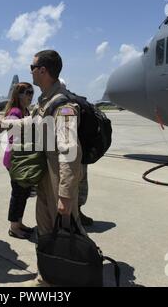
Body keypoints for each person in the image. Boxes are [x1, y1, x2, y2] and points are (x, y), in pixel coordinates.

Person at [30, 50, 85, 286]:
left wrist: (65, 194)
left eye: (32, 67)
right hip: (46, 176)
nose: (30, 71)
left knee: (68, 232)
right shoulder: (45, 101)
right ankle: (48, 276)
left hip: (58, 177)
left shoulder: (63, 106)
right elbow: (35, 123)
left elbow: (70, 153)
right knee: (45, 230)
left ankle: (79, 272)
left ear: (43, 70)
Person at [2, 82, 35, 240]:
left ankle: (19, 223)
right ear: (19, 95)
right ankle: (14, 228)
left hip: (23, 159)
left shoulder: (26, 111)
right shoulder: (15, 112)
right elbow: (13, 137)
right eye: (27, 92)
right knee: (18, 193)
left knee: (24, 193)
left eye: (31, 92)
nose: (30, 95)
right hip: (15, 160)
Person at [59, 79, 93, 226]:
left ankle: (72, 217)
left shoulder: (65, 106)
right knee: (80, 183)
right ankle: (76, 213)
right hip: (84, 151)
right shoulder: (79, 102)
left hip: (70, 154)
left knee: (69, 185)